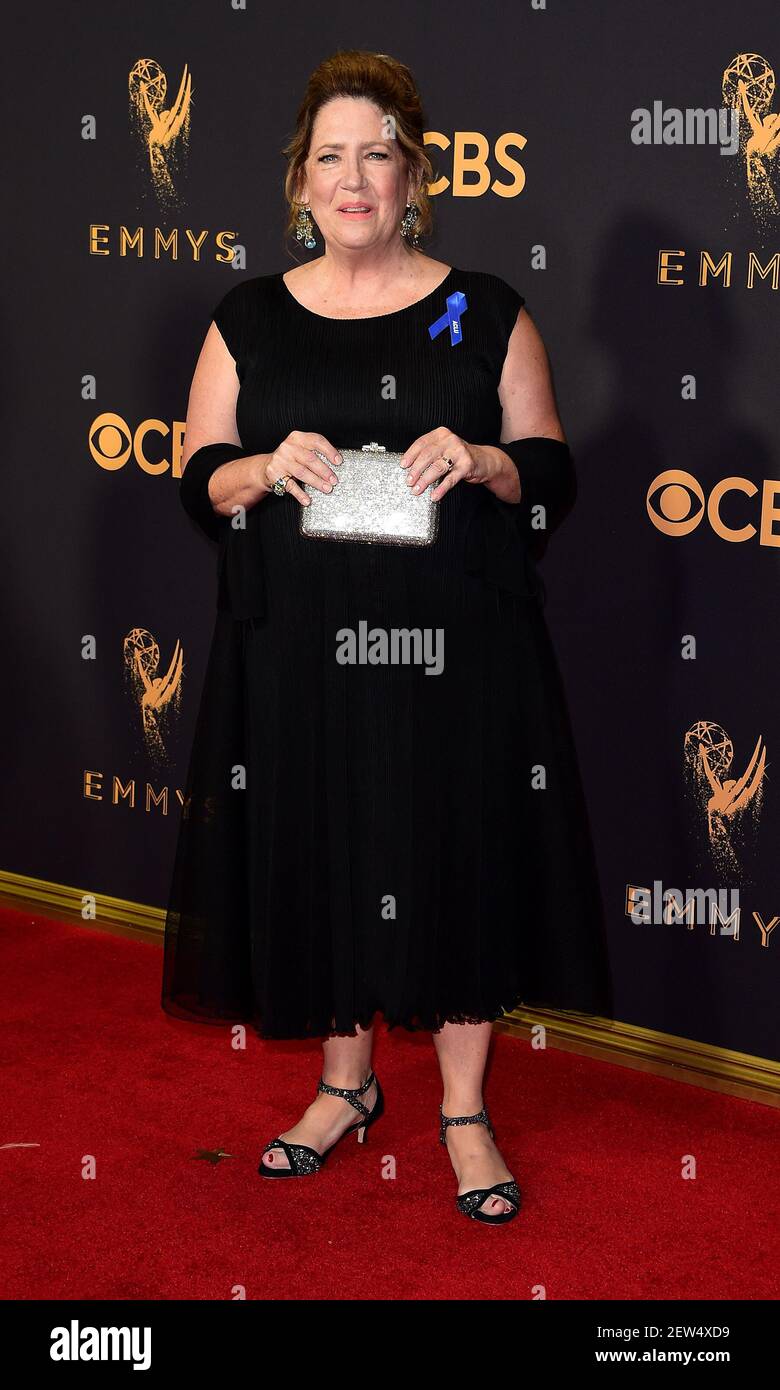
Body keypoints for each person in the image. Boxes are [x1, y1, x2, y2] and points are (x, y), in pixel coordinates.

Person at [162, 48, 612, 1226]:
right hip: (301, 648)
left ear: (416, 173)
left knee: (454, 854)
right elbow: (196, 476)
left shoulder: (491, 311)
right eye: (330, 157)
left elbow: (553, 469)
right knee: (325, 850)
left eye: (377, 155)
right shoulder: (247, 316)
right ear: (299, 182)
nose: (353, 179)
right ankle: (343, 1087)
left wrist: (487, 460)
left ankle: (464, 1109)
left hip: (459, 650)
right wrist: (260, 465)